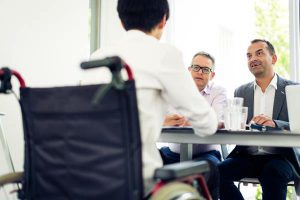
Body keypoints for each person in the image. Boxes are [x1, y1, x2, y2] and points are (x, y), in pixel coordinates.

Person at [89, 0, 218, 193]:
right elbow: (207, 125)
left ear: (122, 22)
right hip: (139, 180)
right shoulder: (164, 54)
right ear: (163, 21)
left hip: (91, 174)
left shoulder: (98, 57)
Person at [218, 39, 299, 200]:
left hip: (282, 158)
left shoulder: (293, 89)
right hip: (248, 156)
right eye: (249, 56)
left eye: (259, 53)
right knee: (218, 171)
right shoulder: (240, 91)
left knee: (272, 172)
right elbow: (238, 124)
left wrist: (275, 124)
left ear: (274, 58)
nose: (252, 58)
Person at [159, 51, 227, 200]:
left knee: (211, 168)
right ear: (189, 70)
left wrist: (196, 119)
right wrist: (164, 120)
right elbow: (156, 116)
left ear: (212, 75)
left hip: (205, 155)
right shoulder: (174, 90)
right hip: (173, 154)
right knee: (145, 161)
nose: (200, 72)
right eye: (196, 67)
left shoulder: (218, 92)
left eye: (205, 69)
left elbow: (218, 119)